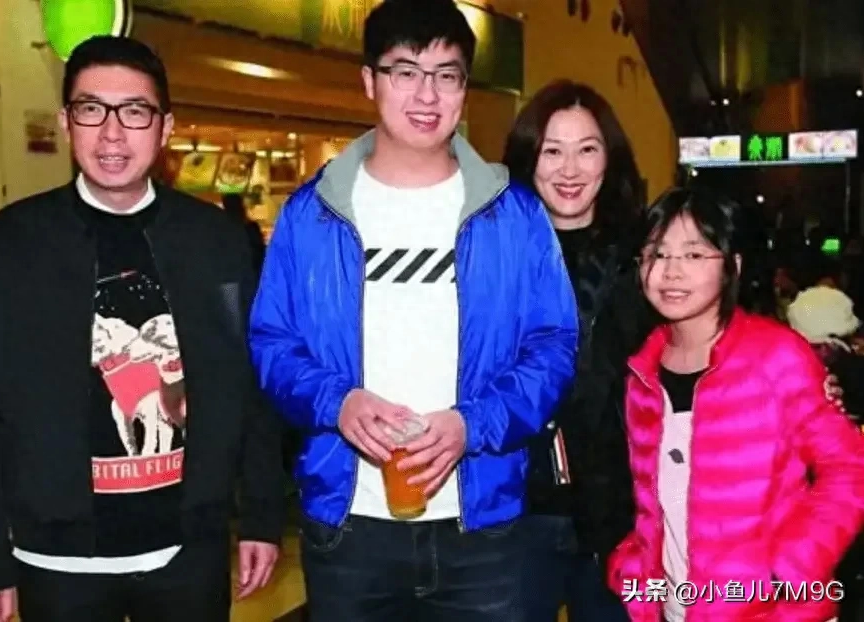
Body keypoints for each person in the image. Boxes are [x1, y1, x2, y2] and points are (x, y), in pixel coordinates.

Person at [248, 1, 579, 620]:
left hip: (483, 528)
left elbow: (554, 346)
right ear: (369, 80)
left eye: (446, 74)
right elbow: (272, 344)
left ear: (464, 87)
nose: (427, 94)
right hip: (349, 527)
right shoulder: (312, 214)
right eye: (405, 71)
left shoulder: (513, 214)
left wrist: (473, 425)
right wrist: (337, 403)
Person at [0, 36, 284, 622]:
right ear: (65, 121)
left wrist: (261, 515)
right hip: (56, 559)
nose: (111, 133)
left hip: (187, 550)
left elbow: (247, 383)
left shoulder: (217, 245)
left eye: (134, 112)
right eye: (91, 109)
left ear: (165, 127)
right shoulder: (8, 246)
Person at [608, 186, 864, 621]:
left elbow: (849, 470)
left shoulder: (778, 356)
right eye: (656, 254)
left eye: (694, 254)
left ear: (733, 267)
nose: (670, 271)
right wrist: (634, 567)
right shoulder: (642, 373)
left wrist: (790, 570)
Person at [502, 80, 646, 621]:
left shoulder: (644, 259)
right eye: (551, 151)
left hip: (622, 517)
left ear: (610, 159)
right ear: (528, 158)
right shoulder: (494, 254)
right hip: (516, 512)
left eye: (587, 149)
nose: (569, 169)